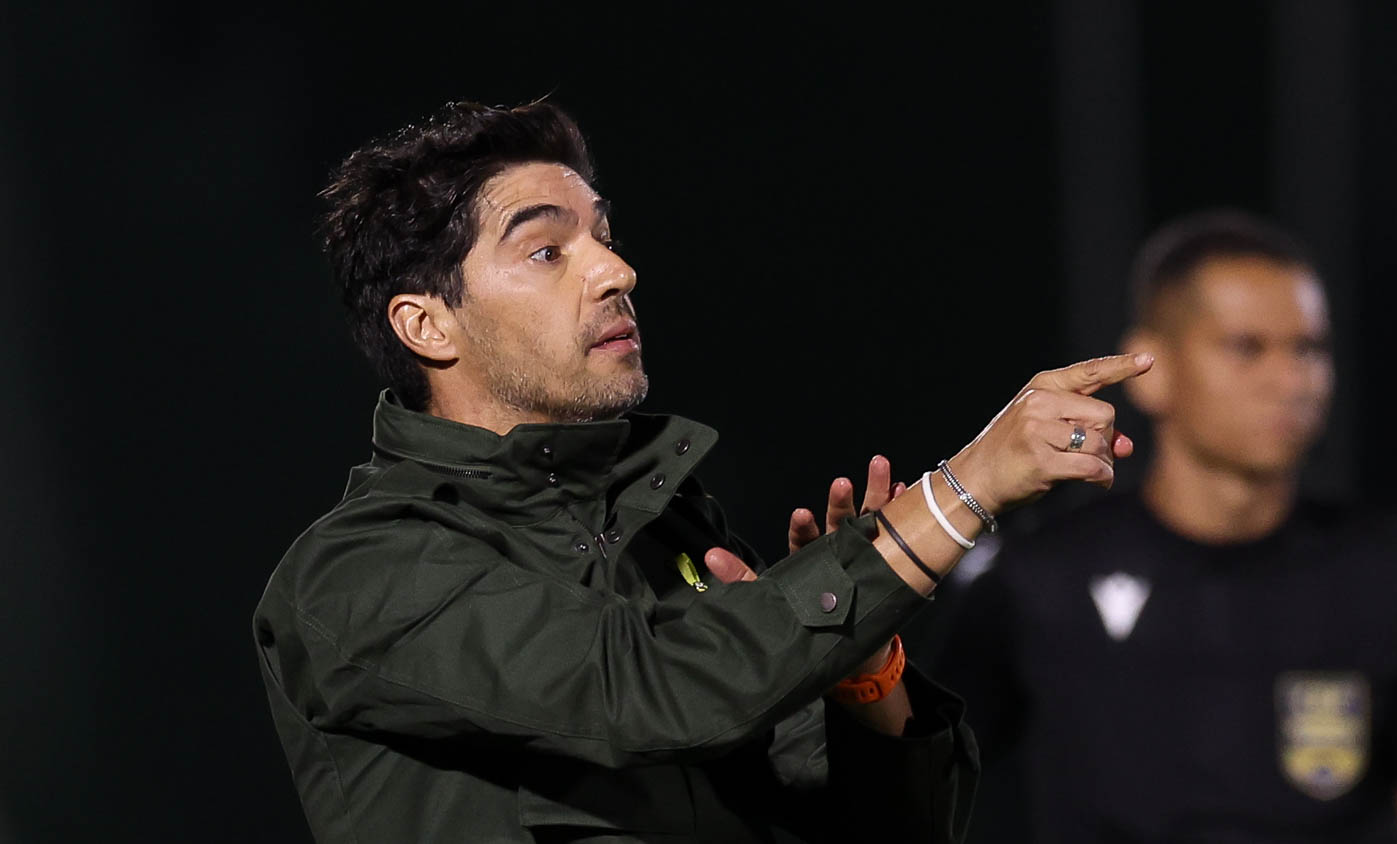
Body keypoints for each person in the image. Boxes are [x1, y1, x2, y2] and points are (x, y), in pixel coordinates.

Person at [251, 100, 1154, 844]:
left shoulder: (677, 534)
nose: (615, 270)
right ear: (427, 326)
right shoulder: (360, 573)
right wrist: (957, 495)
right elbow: (648, 694)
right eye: (545, 249)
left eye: (604, 235)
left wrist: (863, 670)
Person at [940, 210, 1397, 843]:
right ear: (1153, 372)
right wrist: (863, 629)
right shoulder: (1040, 576)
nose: (1292, 381)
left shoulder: (1388, 573)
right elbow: (905, 788)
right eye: (1247, 348)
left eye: (1310, 349)